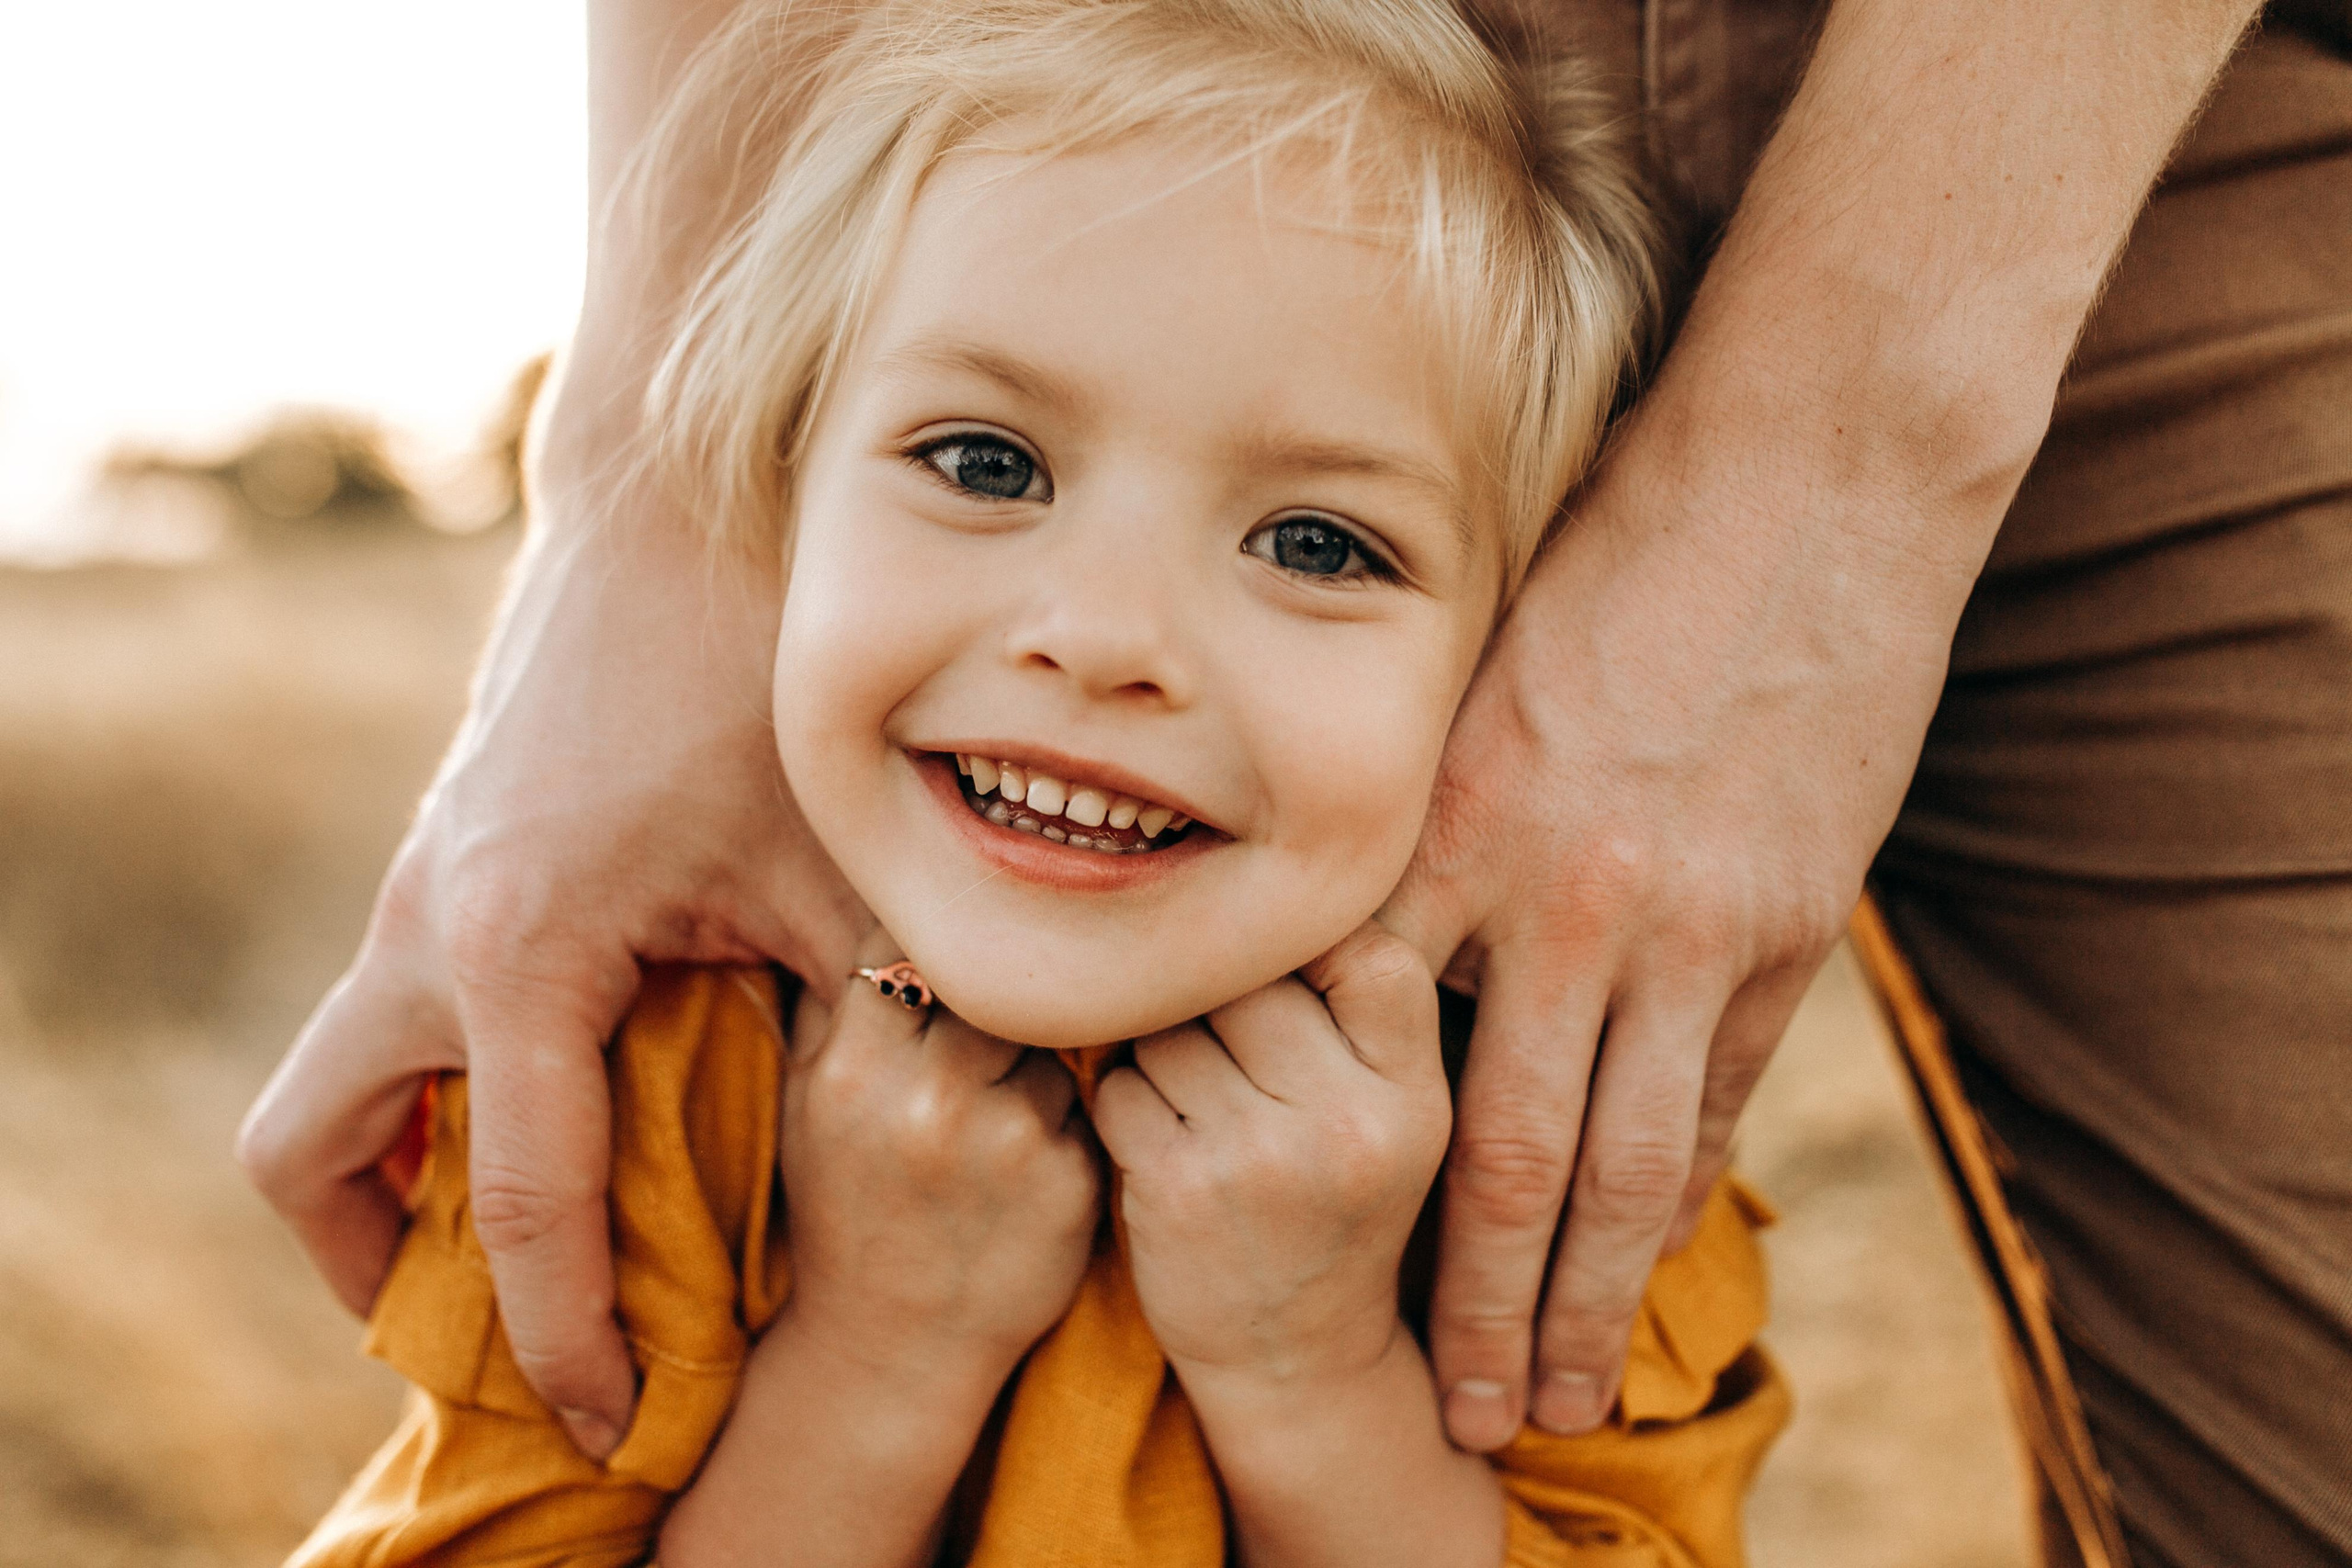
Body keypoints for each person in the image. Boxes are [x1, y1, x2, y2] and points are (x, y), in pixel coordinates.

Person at [243, 0, 2352, 1562]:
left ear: (1510, 650)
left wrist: (1313, 1375)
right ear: (787, 463)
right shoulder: (651, 1086)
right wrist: (870, 1355)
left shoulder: (1534, 1125)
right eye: (981, 462)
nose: (1102, 633)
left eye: (1320, 544)